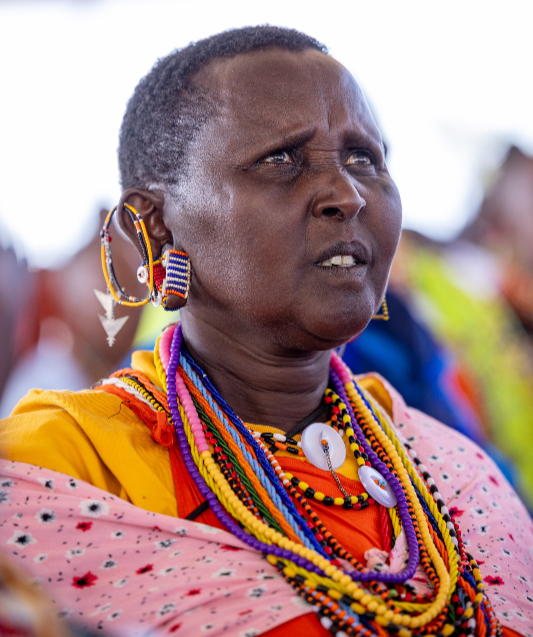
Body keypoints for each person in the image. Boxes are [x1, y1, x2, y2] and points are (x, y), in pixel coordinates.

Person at [0, 26, 531, 637]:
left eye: (365, 157)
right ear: (155, 226)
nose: (349, 195)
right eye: (281, 159)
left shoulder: (454, 470)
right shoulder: (63, 467)